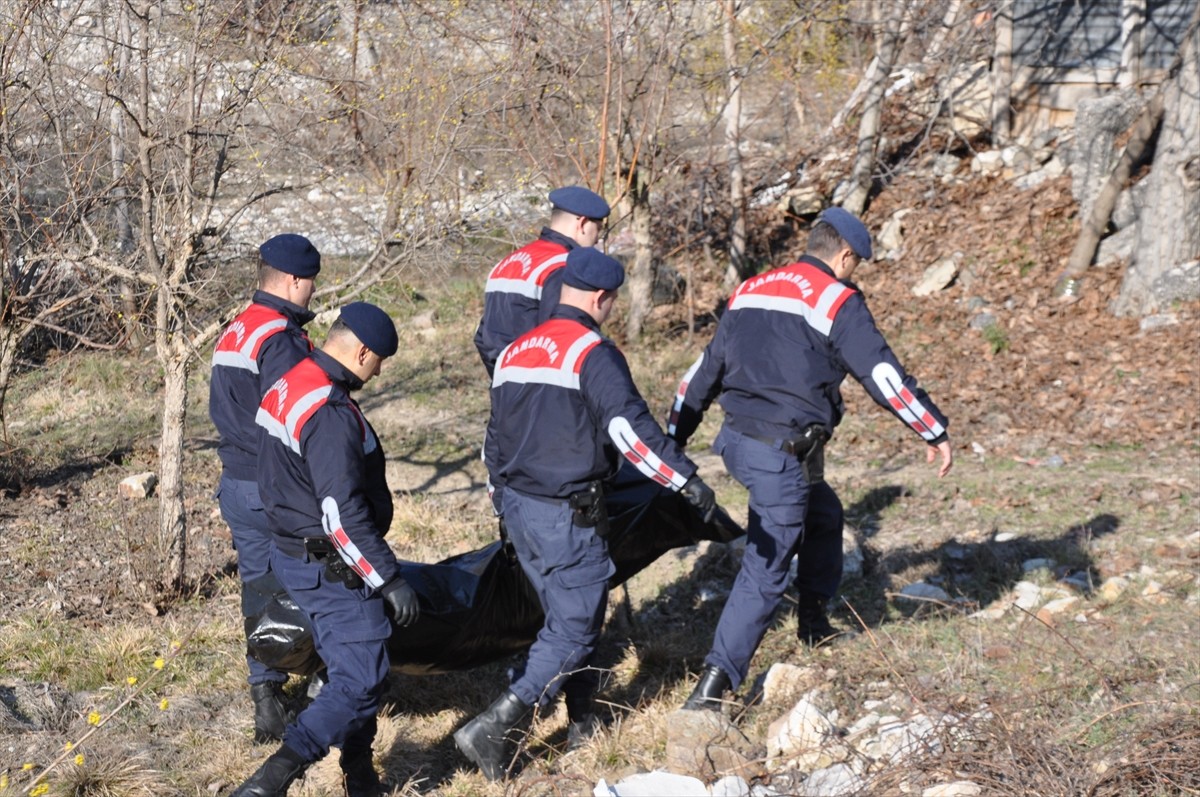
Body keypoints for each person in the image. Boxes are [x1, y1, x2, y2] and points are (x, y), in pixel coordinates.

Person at [667, 207, 953, 711]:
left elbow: (703, 372)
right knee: (767, 567)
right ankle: (712, 688)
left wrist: (676, 434)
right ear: (845, 255)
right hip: (778, 454)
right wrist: (932, 429)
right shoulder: (836, 301)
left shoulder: (752, 287)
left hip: (738, 442)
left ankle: (813, 621)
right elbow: (883, 375)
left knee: (823, 512)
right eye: (856, 263)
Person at [455, 248, 717, 781]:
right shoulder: (591, 353)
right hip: (563, 514)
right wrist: (685, 481)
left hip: (519, 510)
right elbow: (629, 432)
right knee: (574, 626)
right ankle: (496, 725)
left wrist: (502, 500)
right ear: (602, 298)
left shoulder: (515, 351)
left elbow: (493, 441)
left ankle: (581, 719)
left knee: (568, 614)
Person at [231, 303, 420, 797]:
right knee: (360, 679)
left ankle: (361, 777)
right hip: (331, 566)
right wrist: (387, 578)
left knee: (352, 670)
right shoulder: (331, 414)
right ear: (360, 350)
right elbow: (342, 514)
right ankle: (271, 780)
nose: (378, 371)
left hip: (291, 553)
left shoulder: (293, 381)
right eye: (378, 360)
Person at [209, 233, 321, 743]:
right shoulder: (281, 338)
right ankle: (329, 683)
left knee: (258, 589)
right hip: (275, 486)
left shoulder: (236, 329)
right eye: (311, 283)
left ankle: (266, 698)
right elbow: (292, 415)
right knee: (316, 582)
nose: (313, 293)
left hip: (235, 483)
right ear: (295, 280)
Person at [473, 185, 611, 377]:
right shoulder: (565, 267)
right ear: (582, 223)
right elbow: (565, 336)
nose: (597, 239)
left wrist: (503, 382)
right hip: (545, 390)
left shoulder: (505, 263)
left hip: (505, 389)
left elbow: (482, 336)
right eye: (599, 229)